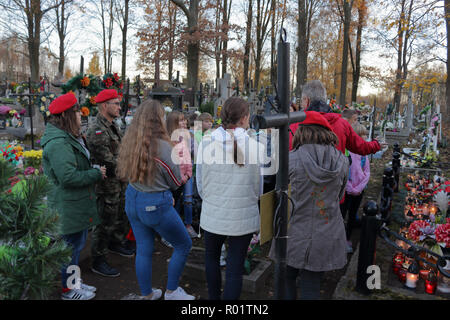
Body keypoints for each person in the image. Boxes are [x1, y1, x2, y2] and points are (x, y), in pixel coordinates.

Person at [117, 99, 194, 300]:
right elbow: (177, 181)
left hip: (132, 199)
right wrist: (186, 176)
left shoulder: (131, 140)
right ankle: (171, 291)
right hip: (155, 204)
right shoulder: (163, 147)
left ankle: (147, 294)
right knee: (183, 244)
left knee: (143, 249)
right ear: (159, 119)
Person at [272, 111, 349, 300]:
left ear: (301, 131)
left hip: (293, 231)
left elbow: (278, 196)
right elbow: (340, 196)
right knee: (312, 285)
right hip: (326, 231)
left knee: (287, 278)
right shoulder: (342, 161)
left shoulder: (290, 159)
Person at [196, 97, 265, 300]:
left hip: (213, 213)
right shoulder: (253, 144)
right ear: (244, 118)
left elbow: (200, 182)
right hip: (242, 215)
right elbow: (258, 187)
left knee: (212, 260)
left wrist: (212, 200)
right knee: (235, 268)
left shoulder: (207, 141)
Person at [41, 92, 107, 300]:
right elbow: (67, 177)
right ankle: (68, 290)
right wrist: (96, 174)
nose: (81, 115)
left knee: (76, 248)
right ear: (67, 115)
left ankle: (73, 282)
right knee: (70, 250)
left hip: (74, 204)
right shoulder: (59, 143)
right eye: (77, 111)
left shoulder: (66, 137)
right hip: (67, 204)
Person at [86, 89, 134, 278]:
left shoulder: (113, 125)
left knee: (119, 215)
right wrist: (124, 172)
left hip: (119, 182)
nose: (119, 107)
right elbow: (106, 160)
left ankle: (116, 242)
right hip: (107, 185)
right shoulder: (97, 129)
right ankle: (98, 260)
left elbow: (120, 152)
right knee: (104, 222)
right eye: (116, 103)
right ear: (104, 105)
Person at [289, 80, 384, 155]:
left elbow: (286, 156)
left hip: (302, 177)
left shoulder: (294, 125)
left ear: (307, 100)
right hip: (333, 177)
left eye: (302, 100)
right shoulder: (342, 124)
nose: (301, 104)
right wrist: (376, 145)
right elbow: (361, 146)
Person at [166, 111, 198, 238]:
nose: (184, 122)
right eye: (181, 120)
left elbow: (187, 159)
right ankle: (174, 227)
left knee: (188, 199)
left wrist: (188, 174)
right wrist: (180, 177)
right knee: (175, 201)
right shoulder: (169, 140)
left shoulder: (185, 137)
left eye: (185, 120)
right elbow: (173, 162)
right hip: (176, 177)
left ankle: (188, 225)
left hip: (186, 176)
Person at [340, 122, 371, 254]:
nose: (364, 138)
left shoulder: (364, 155)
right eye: (362, 136)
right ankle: (339, 239)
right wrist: (349, 187)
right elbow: (343, 173)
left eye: (365, 135)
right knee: (342, 215)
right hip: (346, 191)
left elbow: (367, 173)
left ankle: (347, 238)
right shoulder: (346, 152)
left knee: (352, 216)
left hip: (358, 191)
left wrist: (359, 188)